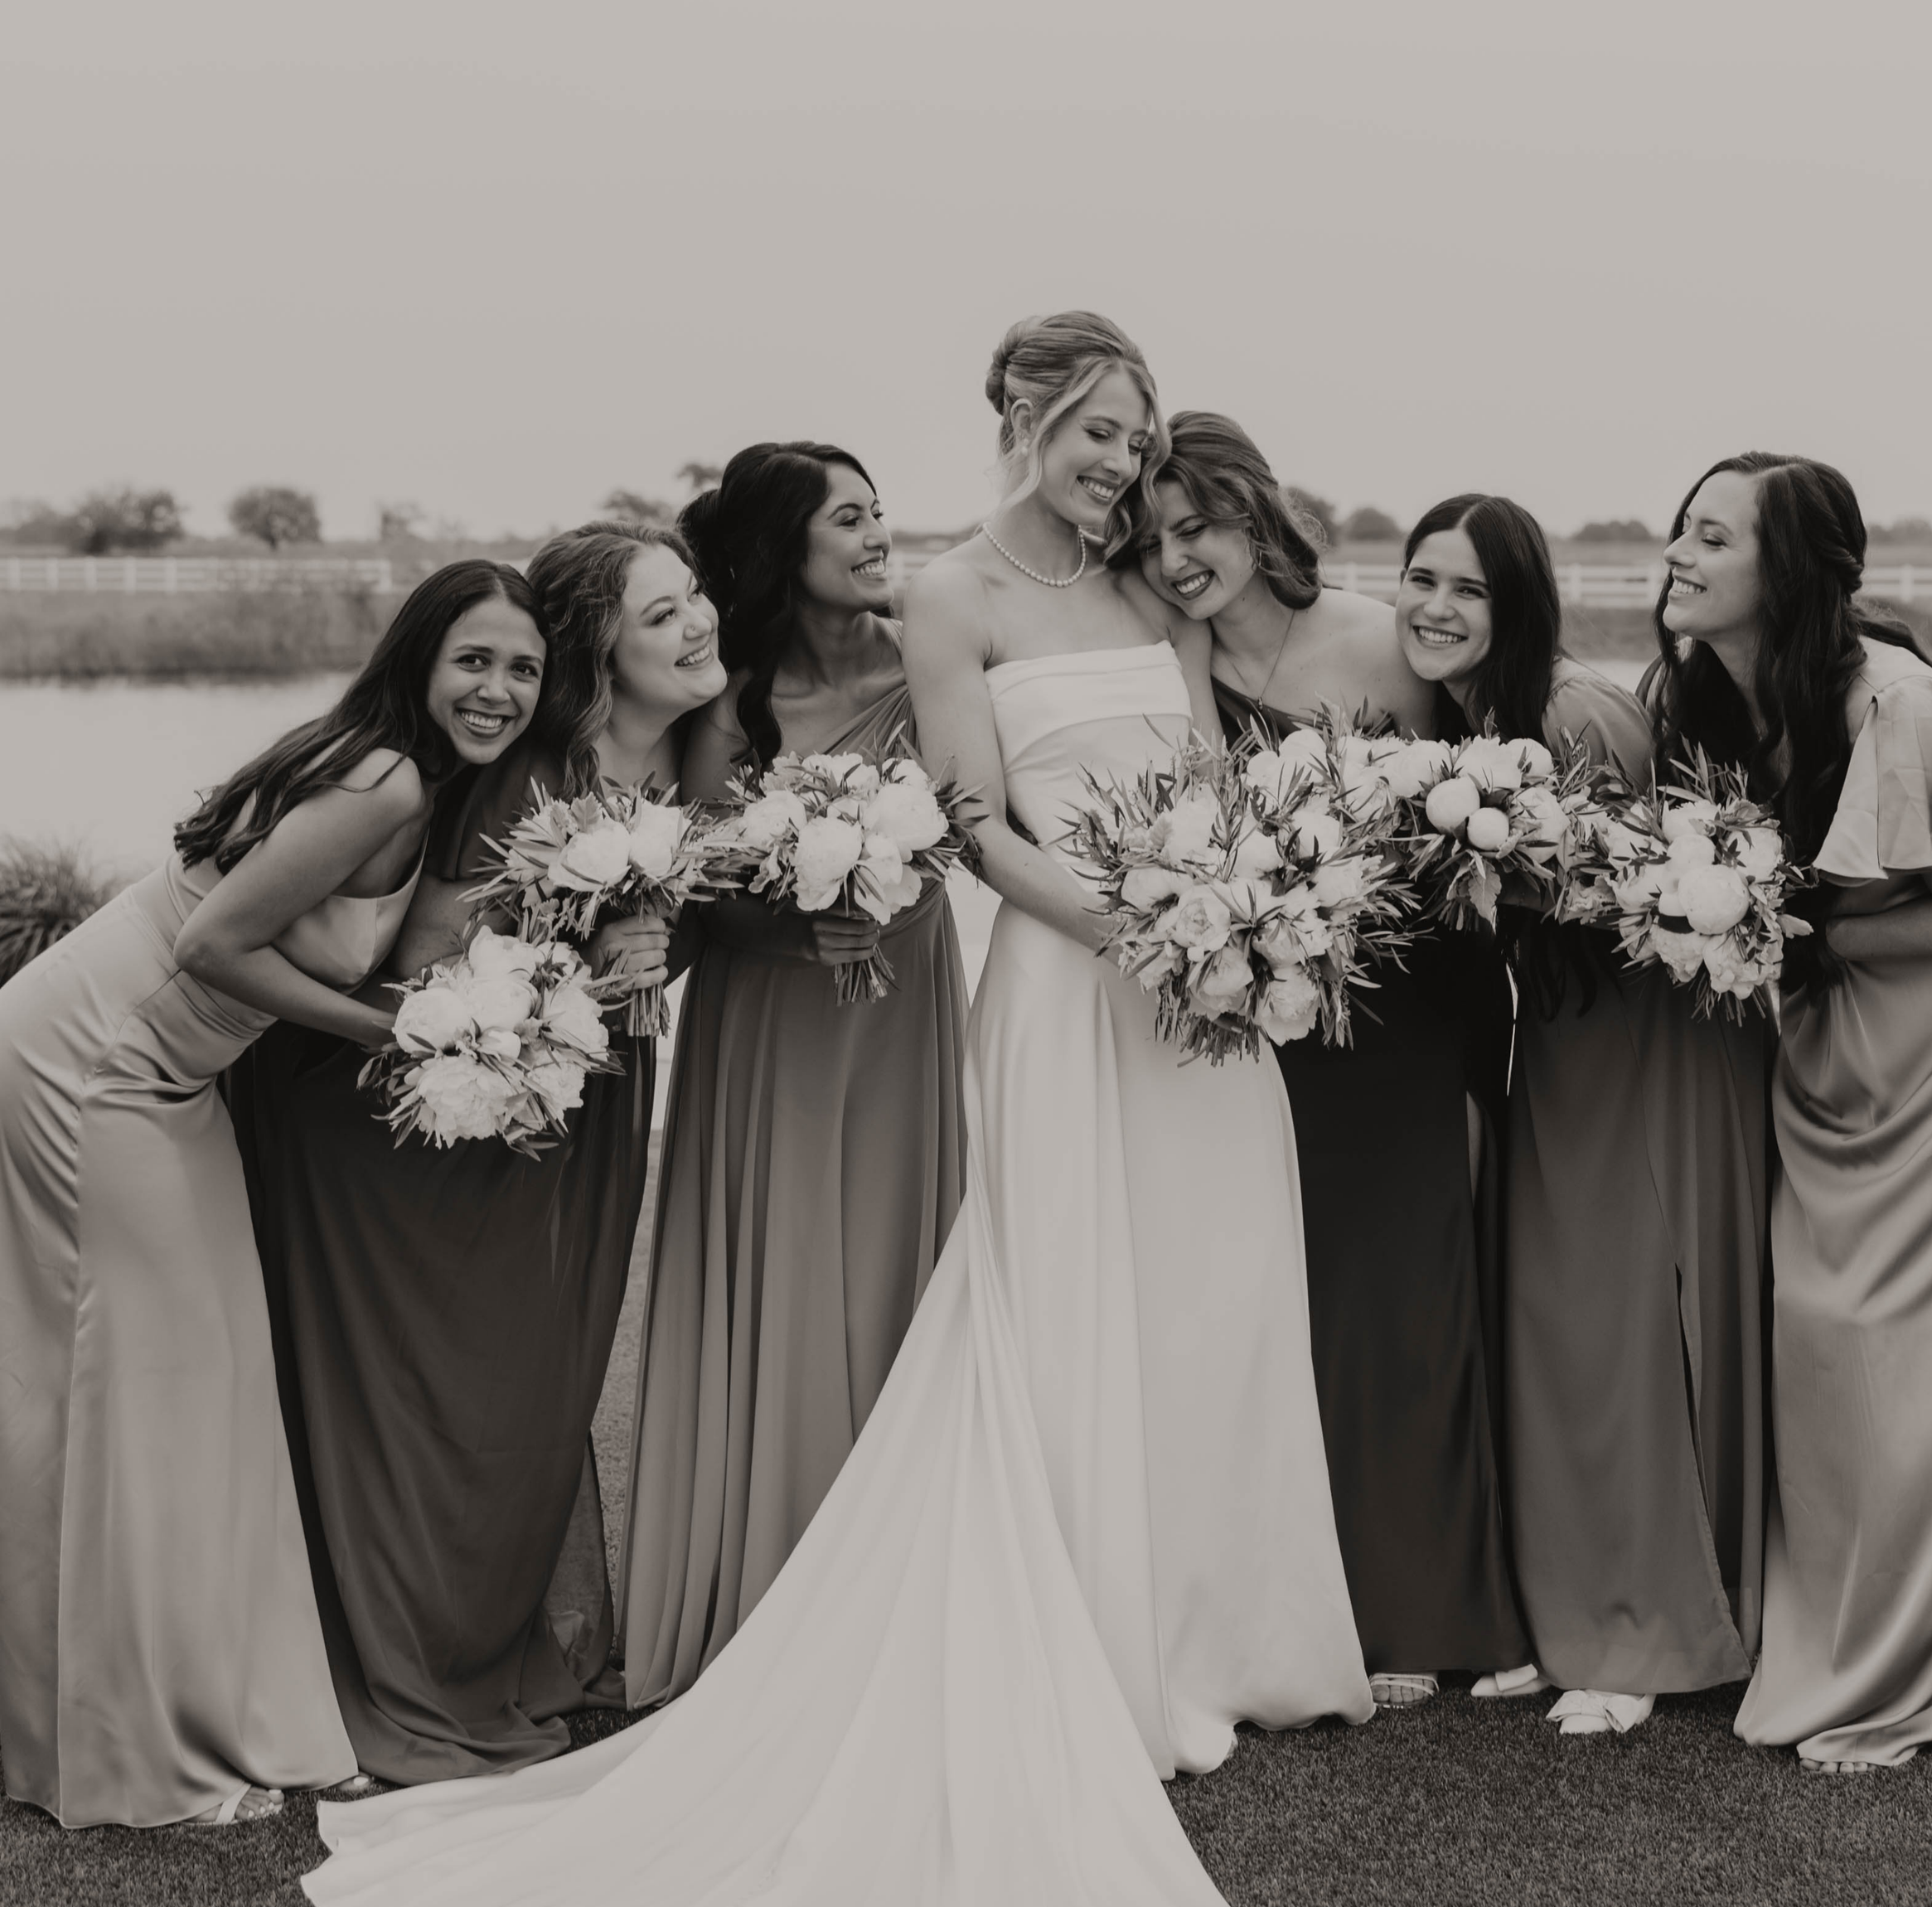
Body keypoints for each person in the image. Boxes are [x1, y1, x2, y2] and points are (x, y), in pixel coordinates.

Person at [302, 312, 1363, 1907]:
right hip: (1082, 975)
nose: (1123, 462)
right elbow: (976, 822)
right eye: (1099, 430)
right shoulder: (951, 595)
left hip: (1206, 977)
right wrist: (1132, 924)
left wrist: (1250, 908)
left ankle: (1241, 1629)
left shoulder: (1157, 584)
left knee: (1223, 1290)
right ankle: (1100, 1631)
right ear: (1025, 417)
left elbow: (1211, 764)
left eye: (1139, 439)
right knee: (1071, 1295)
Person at [0, 561, 539, 1828]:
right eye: (474, 659)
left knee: (212, 1376)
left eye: (524, 668)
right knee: (145, 1382)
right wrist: (391, 1033)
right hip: (91, 1064)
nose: (500, 689)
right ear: (418, 658)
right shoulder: (384, 777)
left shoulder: (411, 782)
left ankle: (192, 1702)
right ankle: (130, 1735)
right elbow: (209, 944)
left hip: (167, 1076)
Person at [234, 522, 724, 1788]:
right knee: (458, 1385)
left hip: (581, 1093)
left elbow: (668, 930)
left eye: (695, 597)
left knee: (544, 1382)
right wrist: (587, 938)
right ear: (602, 648)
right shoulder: (531, 772)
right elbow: (423, 950)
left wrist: (647, 932)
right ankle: (412, 1651)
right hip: (441, 1112)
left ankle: (485, 1631)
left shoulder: (704, 748)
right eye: (662, 611)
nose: (697, 623)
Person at [1652, 453, 1932, 1771]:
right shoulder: (1705, 698)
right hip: (1840, 1043)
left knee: (1927, 1360)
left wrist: (1775, 926)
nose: (1677, 553)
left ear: (1786, 572)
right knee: (1827, 1340)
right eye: (1680, 528)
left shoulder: (1889, 701)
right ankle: (1851, 1624)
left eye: (1711, 536)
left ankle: (1906, 1672)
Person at [1137, 414, 1527, 1709]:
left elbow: (1478, 812)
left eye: (1197, 525)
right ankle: (1299, 1594)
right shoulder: (1172, 654)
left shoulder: (1379, 637)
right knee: (1282, 1296)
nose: (1177, 557)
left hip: (1403, 1014)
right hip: (1264, 1014)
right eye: (1154, 538)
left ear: (1254, 512)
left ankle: (1426, 1599)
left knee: (1402, 1295)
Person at [1397, 494, 1771, 1738]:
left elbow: (1646, 893)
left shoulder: (1573, 714)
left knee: (1623, 1327)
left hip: (1644, 1046)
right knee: (1558, 1323)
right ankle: (1573, 1602)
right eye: (1421, 579)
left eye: (1469, 588)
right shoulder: (1470, 720)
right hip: (1561, 1046)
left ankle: (1646, 1627)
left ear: (1520, 605)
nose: (1436, 607)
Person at [617, 443, 966, 1701]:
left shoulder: (931, 660)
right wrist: (792, 923)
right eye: (849, 519)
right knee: (789, 1260)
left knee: (895, 1261)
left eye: (879, 514)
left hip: (904, 1006)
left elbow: (982, 818)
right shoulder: (734, 697)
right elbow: (700, 885)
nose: (878, 538)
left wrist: (891, 889)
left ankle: (908, 1571)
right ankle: (771, 1581)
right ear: (785, 547)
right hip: (773, 1020)